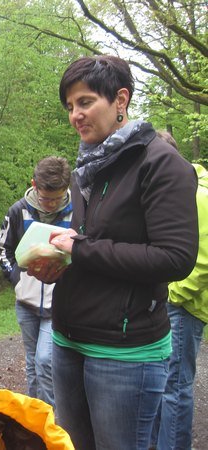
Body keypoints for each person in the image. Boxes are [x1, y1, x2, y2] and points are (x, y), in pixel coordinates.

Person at [29, 55, 199, 450]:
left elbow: (174, 258)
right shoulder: (90, 165)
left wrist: (81, 250)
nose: (75, 115)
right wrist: (61, 265)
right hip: (70, 338)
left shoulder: (162, 164)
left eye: (85, 102)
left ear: (120, 99)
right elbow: (92, 244)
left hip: (126, 351)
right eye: (70, 106)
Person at [0, 156, 72, 407]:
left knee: (45, 361)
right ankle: (34, 418)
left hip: (60, 303)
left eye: (56, 198)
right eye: (45, 198)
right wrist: (16, 279)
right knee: (32, 361)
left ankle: (50, 418)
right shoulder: (18, 211)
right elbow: (2, 249)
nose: (50, 204)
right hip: (25, 302)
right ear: (34, 185)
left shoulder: (77, 213)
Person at [153, 131, 208, 450]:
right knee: (164, 382)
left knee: (174, 385)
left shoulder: (198, 195)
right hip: (173, 301)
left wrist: (173, 297)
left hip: (184, 306)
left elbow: (202, 260)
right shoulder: (180, 190)